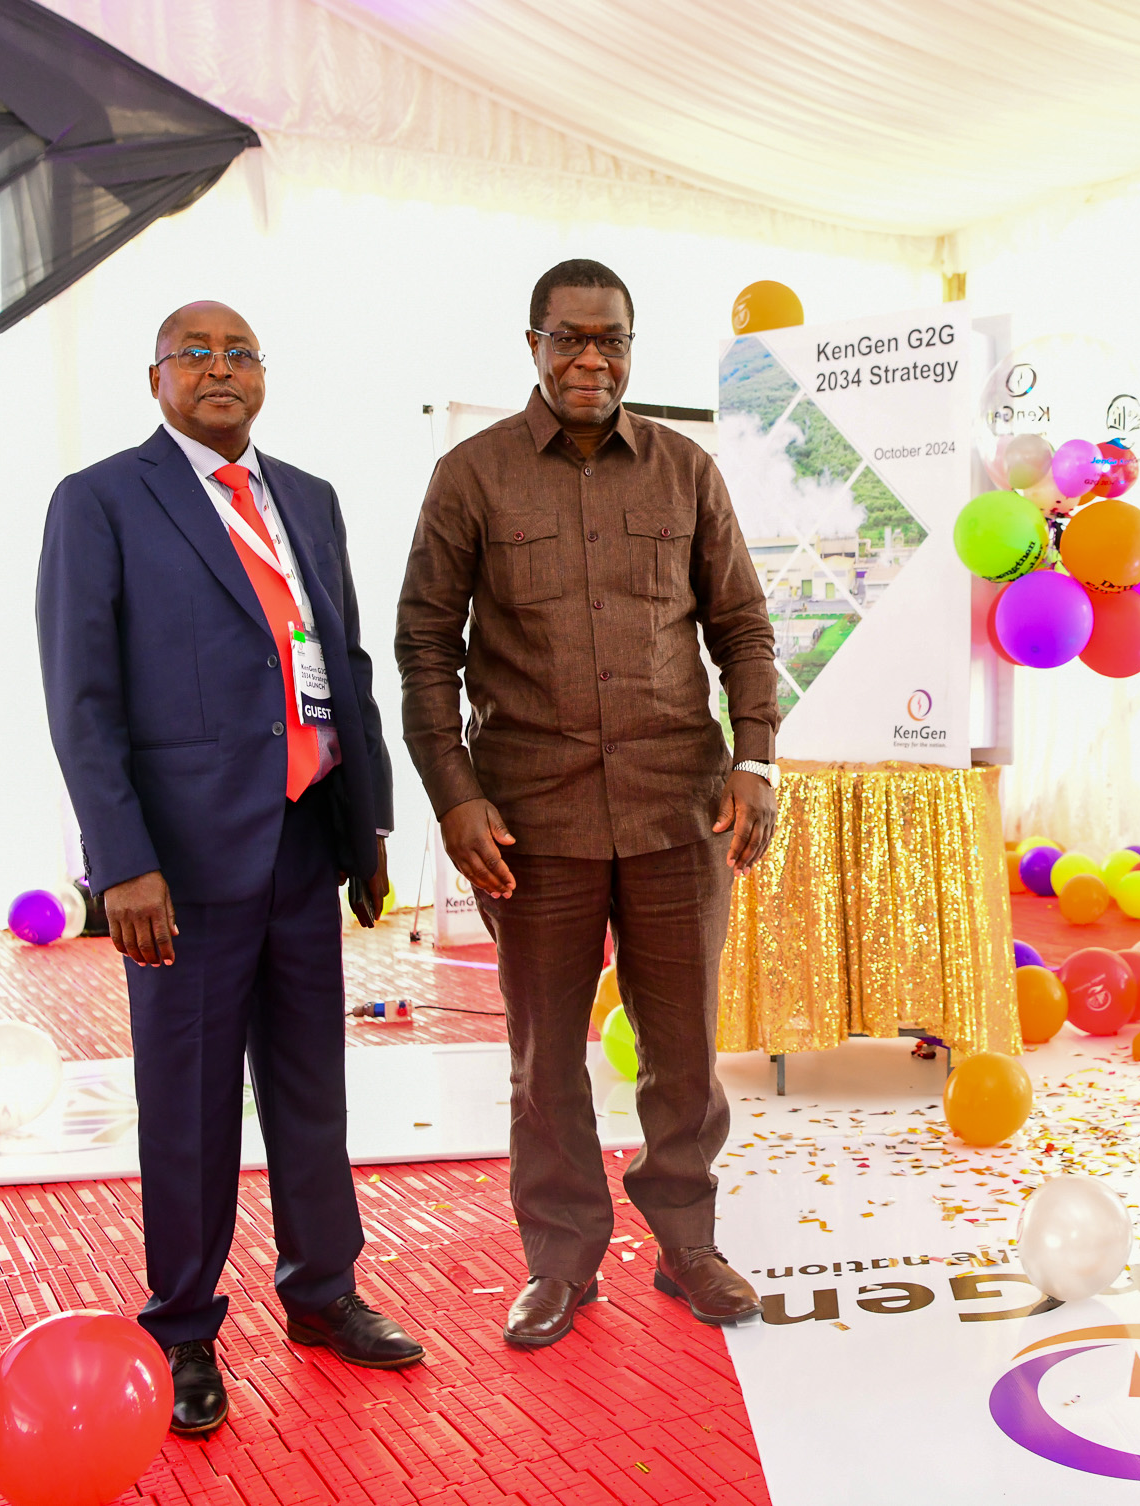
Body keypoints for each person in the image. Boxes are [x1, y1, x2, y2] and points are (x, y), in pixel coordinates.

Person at [36, 302, 424, 1437]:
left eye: (240, 352)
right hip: (180, 870)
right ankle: (183, 1331)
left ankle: (322, 1294)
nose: (219, 369)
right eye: (194, 353)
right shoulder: (102, 500)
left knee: (311, 1090)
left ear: (265, 375)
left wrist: (369, 825)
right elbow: (82, 697)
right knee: (190, 1108)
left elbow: (339, 659)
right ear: (154, 376)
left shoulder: (307, 498)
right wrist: (122, 867)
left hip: (305, 836)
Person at [396, 260, 779, 1347]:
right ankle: (560, 1264)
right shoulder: (469, 477)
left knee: (684, 1050)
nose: (590, 360)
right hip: (531, 822)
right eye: (569, 339)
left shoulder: (685, 470)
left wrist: (754, 759)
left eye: (610, 341)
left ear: (630, 349)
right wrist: (455, 795)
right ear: (532, 344)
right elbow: (424, 645)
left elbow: (743, 627)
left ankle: (689, 1246)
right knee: (543, 1055)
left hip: (677, 811)